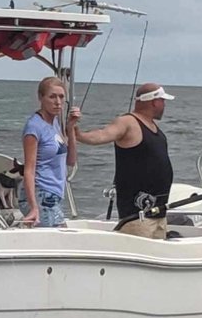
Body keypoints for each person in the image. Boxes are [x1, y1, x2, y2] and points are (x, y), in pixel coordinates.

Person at [70, 82, 175, 239]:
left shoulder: (153, 126)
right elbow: (103, 135)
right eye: (163, 101)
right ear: (154, 101)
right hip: (137, 216)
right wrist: (79, 135)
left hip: (158, 214)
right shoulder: (128, 122)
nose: (164, 105)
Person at [19, 76, 77, 227]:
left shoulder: (55, 123)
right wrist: (33, 207)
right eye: (52, 97)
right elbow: (29, 170)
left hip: (55, 194)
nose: (58, 102)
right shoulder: (34, 127)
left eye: (61, 97)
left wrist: (70, 128)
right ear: (41, 97)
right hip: (41, 193)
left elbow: (70, 161)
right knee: (58, 241)